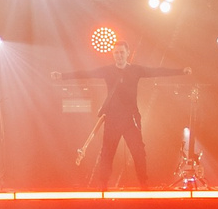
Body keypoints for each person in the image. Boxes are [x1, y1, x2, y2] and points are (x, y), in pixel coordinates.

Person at [55, 44, 186, 187]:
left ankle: (143, 183)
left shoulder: (136, 70)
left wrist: (181, 71)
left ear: (127, 53)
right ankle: (103, 184)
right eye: (116, 53)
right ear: (113, 55)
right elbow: (86, 73)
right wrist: (63, 76)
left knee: (139, 152)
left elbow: (156, 71)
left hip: (130, 119)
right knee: (107, 152)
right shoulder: (107, 71)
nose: (119, 55)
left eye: (122, 52)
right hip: (112, 118)